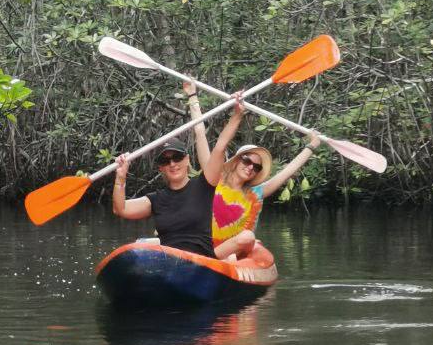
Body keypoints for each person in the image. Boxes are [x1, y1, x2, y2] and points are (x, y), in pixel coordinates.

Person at [184, 80, 320, 258]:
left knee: (243, 242)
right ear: (236, 160)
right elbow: (200, 133)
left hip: (229, 254)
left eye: (256, 167)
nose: (250, 168)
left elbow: (288, 170)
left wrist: (312, 146)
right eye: (247, 161)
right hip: (201, 247)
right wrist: (192, 95)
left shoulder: (256, 193)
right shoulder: (212, 179)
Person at [112, 94, 249, 260]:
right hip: (169, 262)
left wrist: (236, 115)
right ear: (160, 168)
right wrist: (120, 177)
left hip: (203, 261)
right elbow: (121, 209)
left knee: (247, 237)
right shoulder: (156, 199)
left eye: (177, 157)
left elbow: (219, 148)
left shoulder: (205, 185)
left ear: (187, 160)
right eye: (165, 160)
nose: (172, 164)